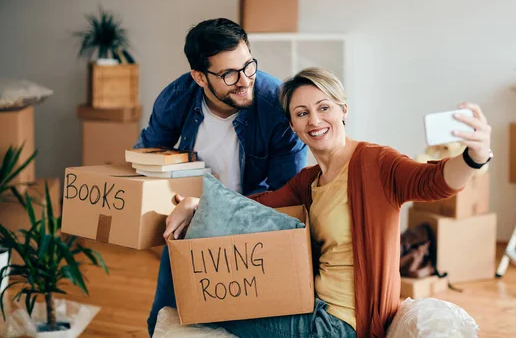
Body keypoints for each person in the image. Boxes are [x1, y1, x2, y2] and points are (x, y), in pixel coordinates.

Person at [164, 67, 493, 338]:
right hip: (312, 306)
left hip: (343, 324)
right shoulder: (308, 181)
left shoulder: (375, 163)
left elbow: (434, 182)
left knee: (192, 309)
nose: (314, 121)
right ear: (293, 125)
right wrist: (196, 203)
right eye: (302, 113)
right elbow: (253, 206)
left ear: (343, 110)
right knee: (202, 304)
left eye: (324, 108)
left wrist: (475, 157)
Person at [140, 18, 308, 336]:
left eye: (248, 66)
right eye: (229, 74)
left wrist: (210, 207)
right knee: (161, 323)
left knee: (246, 327)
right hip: (189, 225)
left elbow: (288, 195)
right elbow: (146, 159)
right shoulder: (176, 98)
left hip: (255, 224)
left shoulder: (277, 106)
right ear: (199, 77)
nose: (245, 81)